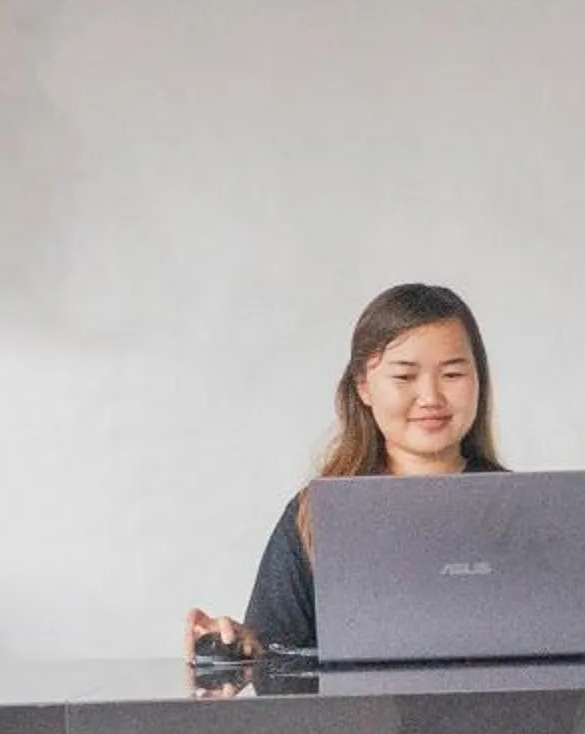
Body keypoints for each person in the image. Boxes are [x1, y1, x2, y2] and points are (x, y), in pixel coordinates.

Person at [183, 282, 504, 660]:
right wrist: (236, 646)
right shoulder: (316, 516)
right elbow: (274, 663)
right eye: (404, 377)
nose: (431, 397)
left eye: (452, 374)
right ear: (364, 387)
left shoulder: (525, 511)